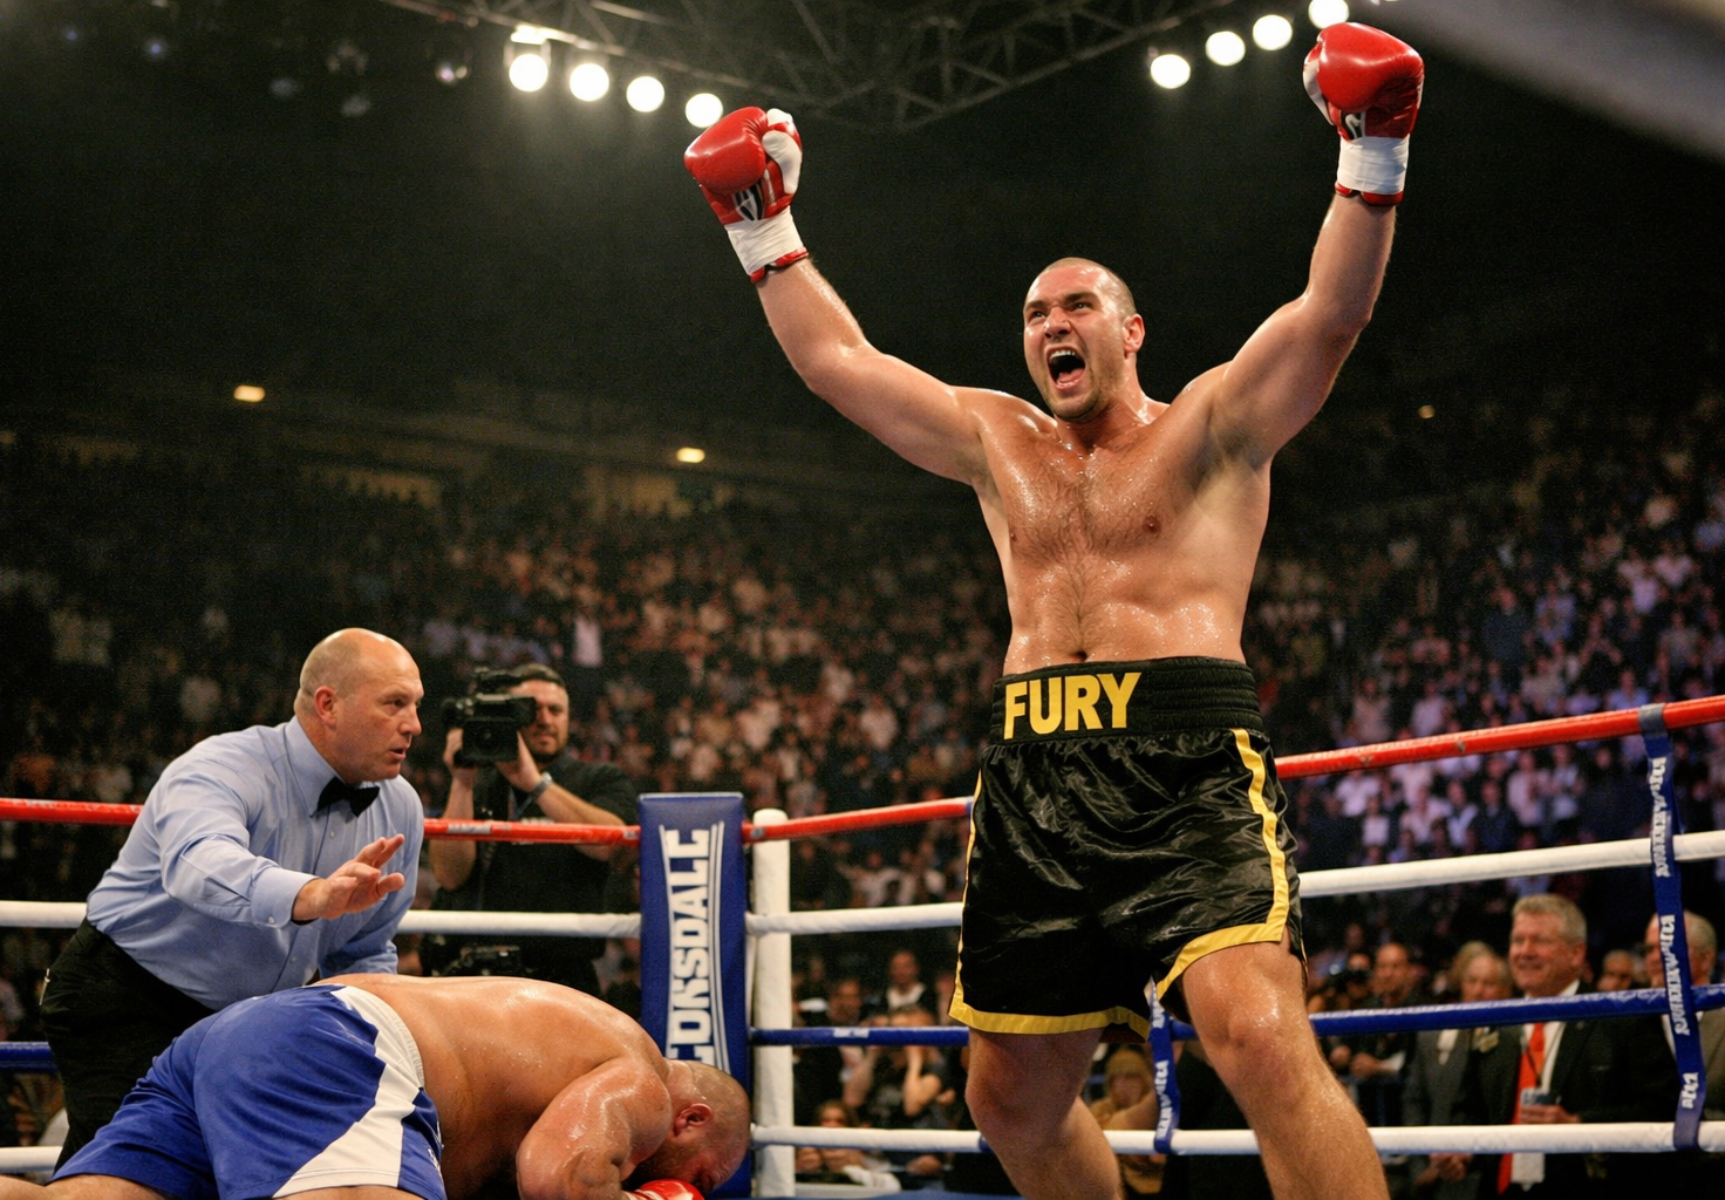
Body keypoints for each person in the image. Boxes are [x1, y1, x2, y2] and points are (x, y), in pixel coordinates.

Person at [684, 20, 1423, 1200]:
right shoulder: (996, 441)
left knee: (1260, 1040)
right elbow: (839, 361)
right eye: (1034, 314)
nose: (1051, 326)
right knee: (1008, 1100)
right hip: (1036, 772)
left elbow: (1329, 315)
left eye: (1077, 305)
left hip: (1185, 759)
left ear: (1130, 331)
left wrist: (1372, 150)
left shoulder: (1216, 426)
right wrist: (761, 228)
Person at [39, 628, 426, 1163]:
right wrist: (309, 895)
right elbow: (200, 863)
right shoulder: (223, 765)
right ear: (328, 704)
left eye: (416, 705)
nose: (414, 725)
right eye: (395, 704)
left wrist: (378, 1029)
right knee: (132, 1172)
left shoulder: (400, 806)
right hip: (128, 992)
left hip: (252, 1018)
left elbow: (364, 948)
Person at [0, 974, 750, 1200]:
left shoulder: (577, 1043)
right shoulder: (643, 1081)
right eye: (704, 1180)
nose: (697, 1190)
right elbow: (562, 1178)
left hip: (242, 1039)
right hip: (340, 1048)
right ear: (689, 1118)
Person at [1436, 894, 1674, 1197]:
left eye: (1539, 941)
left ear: (1576, 954)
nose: (1525, 952)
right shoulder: (1495, 1022)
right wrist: (1463, 1152)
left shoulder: (1622, 1018)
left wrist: (1578, 1126)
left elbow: (1663, 1107)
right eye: (1518, 940)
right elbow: (1470, 1110)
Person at [430, 663, 637, 995]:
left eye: (555, 710)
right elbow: (449, 875)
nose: (544, 719)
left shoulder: (599, 778)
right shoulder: (476, 782)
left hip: (564, 974)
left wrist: (534, 784)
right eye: (531, 710)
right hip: (480, 976)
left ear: (569, 718)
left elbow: (609, 845)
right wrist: (462, 781)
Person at [1402, 943, 1510, 1200]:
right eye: (1472, 981)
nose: (1478, 990)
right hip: (1432, 1175)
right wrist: (1421, 1165)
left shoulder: (1512, 1042)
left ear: (1504, 990)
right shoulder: (1432, 1035)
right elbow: (1414, 1101)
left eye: (1488, 983)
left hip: (1488, 1175)